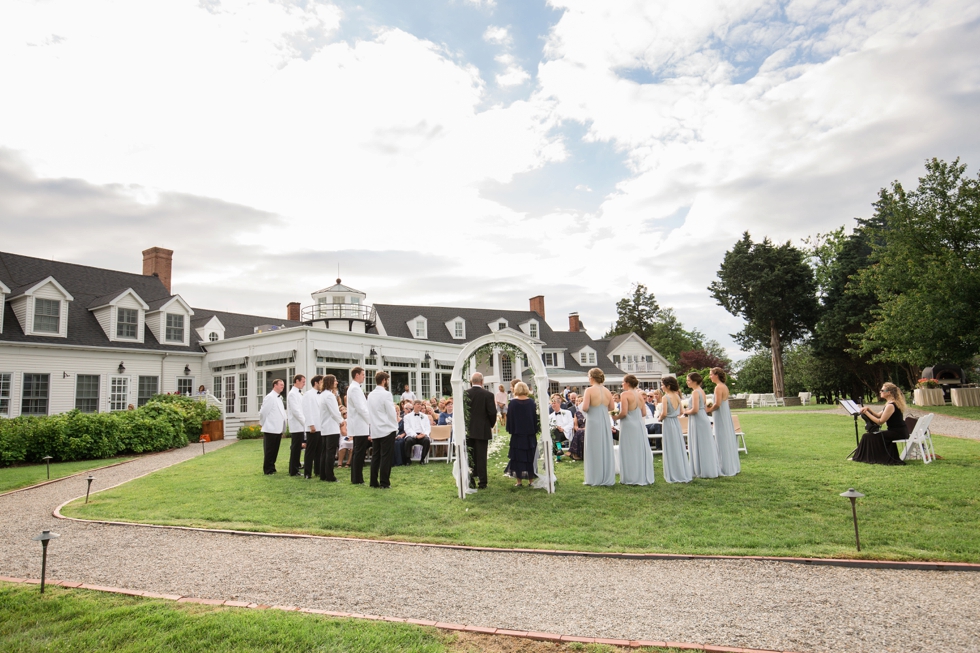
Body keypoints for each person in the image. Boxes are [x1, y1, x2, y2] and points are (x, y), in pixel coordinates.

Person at [853, 382, 908, 465]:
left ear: (888, 392)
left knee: (867, 436)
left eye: (882, 390)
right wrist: (869, 409)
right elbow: (878, 415)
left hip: (897, 432)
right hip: (898, 431)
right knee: (869, 435)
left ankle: (865, 457)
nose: (880, 392)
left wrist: (866, 413)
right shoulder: (891, 403)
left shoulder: (891, 405)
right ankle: (867, 457)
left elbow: (880, 421)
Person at [616, 374, 656, 485]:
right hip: (639, 425)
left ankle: (631, 477)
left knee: (629, 450)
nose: (622, 384)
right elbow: (643, 413)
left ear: (628, 383)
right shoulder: (639, 395)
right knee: (638, 450)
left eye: (623, 382)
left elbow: (623, 413)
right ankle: (640, 474)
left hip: (628, 425)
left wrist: (615, 417)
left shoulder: (625, 394)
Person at [581, 368, 616, 486]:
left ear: (591, 377)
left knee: (593, 447)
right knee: (604, 446)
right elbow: (611, 407)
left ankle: (594, 477)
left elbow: (585, 408)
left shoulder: (589, 390)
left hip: (593, 420)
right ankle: (605, 475)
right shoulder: (607, 391)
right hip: (604, 420)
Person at [684, 372, 720, 479]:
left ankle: (701, 470)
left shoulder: (696, 392)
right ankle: (704, 468)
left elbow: (695, 410)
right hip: (702, 418)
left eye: (688, 380)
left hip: (698, 419)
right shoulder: (701, 391)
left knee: (699, 443)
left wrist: (686, 412)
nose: (687, 382)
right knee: (704, 444)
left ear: (694, 381)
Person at [705, 368, 740, 476]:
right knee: (725, 437)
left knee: (721, 438)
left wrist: (708, 410)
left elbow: (717, 404)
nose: (710, 376)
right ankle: (729, 464)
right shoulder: (724, 386)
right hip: (724, 413)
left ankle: (724, 466)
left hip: (720, 414)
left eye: (711, 374)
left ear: (716, 375)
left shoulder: (718, 387)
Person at [465, 372, 497, 489]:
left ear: (471, 381)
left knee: (470, 456)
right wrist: (490, 424)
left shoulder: (465, 394)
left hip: (468, 430)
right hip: (482, 429)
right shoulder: (488, 395)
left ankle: (471, 479)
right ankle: (482, 482)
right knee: (481, 457)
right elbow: (492, 412)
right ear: (482, 382)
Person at [505, 381, 540, 487]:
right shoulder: (532, 403)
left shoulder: (513, 403)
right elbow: (536, 419)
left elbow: (509, 419)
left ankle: (519, 481)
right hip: (530, 435)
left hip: (517, 435)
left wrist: (511, 430)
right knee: (530, 457)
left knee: (518, 457)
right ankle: (531, 481)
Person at [368, 371, 398, 488]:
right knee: (386, 456)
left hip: (375, 428)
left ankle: (373, 481)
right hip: (386, 428)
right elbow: (390, 412)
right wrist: (394, 425)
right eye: (387, 380)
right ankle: (384, 482)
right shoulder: (386, 394)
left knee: (376, 456)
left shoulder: (370, 395)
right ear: (384, 380)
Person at [660, 376, 693, 483]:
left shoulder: (665, 397)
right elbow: (681, 412)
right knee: (678, 446)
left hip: (668, 423)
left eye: (662, 385)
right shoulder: (677, 396)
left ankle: (673, 473)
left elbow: (664, 413)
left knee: (670, 446)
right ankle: (681, 471)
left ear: (668, 386)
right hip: (675, 422)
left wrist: (660, 418)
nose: (661, 387)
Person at [346, 367, 370, 484]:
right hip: (359, 424)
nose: (364, 376)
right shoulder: (355, 389)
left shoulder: (355, 388)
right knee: (359, 453)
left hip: (359, 424)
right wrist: (370, 420)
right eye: (363, 374)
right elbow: (361, 408)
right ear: (356, 375)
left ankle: (357, 478)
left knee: (358, 452)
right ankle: (357, 478)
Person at [318, 375, 344, 482]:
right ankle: (330, 476)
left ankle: (323, 474)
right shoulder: (329, 396)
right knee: (330, 453)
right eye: (335, 381)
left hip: (325, 427)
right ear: (330, 382)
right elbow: (334, 411)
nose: (337, 382)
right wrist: (341, 421)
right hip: (331, 427)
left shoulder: (322, 395)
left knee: (325, 452)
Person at [259, 379, 286, 474]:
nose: (283, 386)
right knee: (269, 450)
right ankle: (267, 469)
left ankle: (272, 467)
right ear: (275, 385)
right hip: (270, 428)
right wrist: (263, 423)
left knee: (275, 450)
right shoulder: (270, 397)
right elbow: (263, 412)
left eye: (283, 385)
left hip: (277, 429)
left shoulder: (279, 397)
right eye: (281, 384)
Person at [301, 375, 324, 479]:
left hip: (321, 427)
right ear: (316, 382)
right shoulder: (308, 394)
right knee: (310, 451)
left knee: (319, 451)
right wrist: (311, 425)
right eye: (322, 382)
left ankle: (318, 471)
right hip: (312, 428)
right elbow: (306, 410)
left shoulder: (322, 394)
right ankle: (307, 473)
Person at [286, 375, 307, 476]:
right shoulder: (292, 394)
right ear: (297, 381)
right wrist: (305, 422)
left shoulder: (299, 393)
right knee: (295, 448)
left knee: (298, 447)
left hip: (301, 425)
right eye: (303, 381)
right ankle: (293, 470)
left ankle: (296, 467)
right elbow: (296, 411)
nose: (304, 383)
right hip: (297, 425)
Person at [569, 396, 586, 460]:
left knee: (580, 432)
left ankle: (575, 453)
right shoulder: (577, 413)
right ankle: (576, 454)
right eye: (578, 401)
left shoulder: (588, 412)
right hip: (580, 429)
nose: (579, 403)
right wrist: (577, 428)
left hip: (588, 428)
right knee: (579, 432)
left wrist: (582, 429)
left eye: (580, 401)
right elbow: (575, 425)